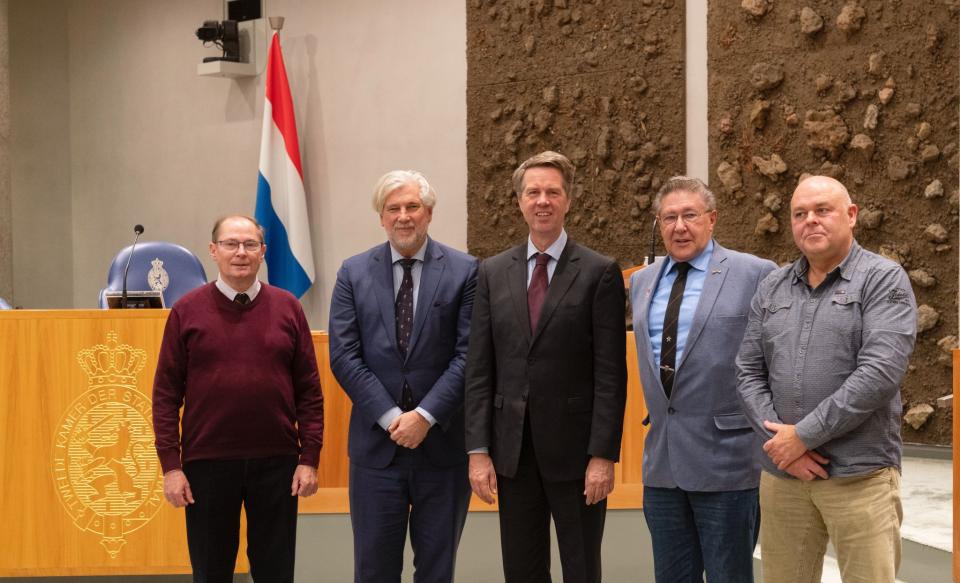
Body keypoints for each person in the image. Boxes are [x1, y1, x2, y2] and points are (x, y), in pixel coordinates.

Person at [736, 175, 917, 583]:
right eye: (800, 214)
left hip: (861, 476)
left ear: (851, 215)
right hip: (784, 477)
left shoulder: (883, 280)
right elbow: (747, 371)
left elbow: (879, 372)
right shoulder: (773, 286)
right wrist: (785, 448)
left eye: (823, 210)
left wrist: (803, 436)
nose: (810, 221)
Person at [464, 150, 627, 583]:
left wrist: (603, 456)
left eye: (553, 192)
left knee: (581, 569)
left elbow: (611, 374)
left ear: (568, 200)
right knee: (521, 570)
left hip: (577, 457)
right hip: (511, 455)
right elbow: (479, 369)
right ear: (518, 201)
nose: (542, 201)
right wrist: (478, 452)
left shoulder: (599, 272)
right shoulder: (492, 272)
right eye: (533, 192)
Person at [153, 215, 324, 583]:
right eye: (231, 244)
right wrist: (171, 466)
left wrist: (308, 458)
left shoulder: (288, 308)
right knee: (211, 572)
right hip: (206, 465)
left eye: (249, 244)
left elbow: (309, 391)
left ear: (263, 252)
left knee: (275, 572)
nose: (240, 253)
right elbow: (165, 395)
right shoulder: (186, 310)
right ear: (213, 251)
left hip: (277, 463)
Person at [328, 170, 478, 583]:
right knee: (373, 570)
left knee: (437, 570)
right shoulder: (353, 273)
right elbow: (343, 355)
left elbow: (470, 356)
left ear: (428, 213)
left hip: (442, 451)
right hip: (377, 451)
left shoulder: (466, 271)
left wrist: (424, 417)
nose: (403, 216)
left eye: (412, 206)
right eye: (393, 208)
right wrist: (392, 416)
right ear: (381, 218)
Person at [630, 176, 776, 583]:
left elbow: (773, 361)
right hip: (661, 463)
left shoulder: (755, 273)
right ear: (659, 225)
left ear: (712, 219)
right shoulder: (642, 281)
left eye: (690, 215)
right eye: (670, 217)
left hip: (728, 462)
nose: (680, 226)